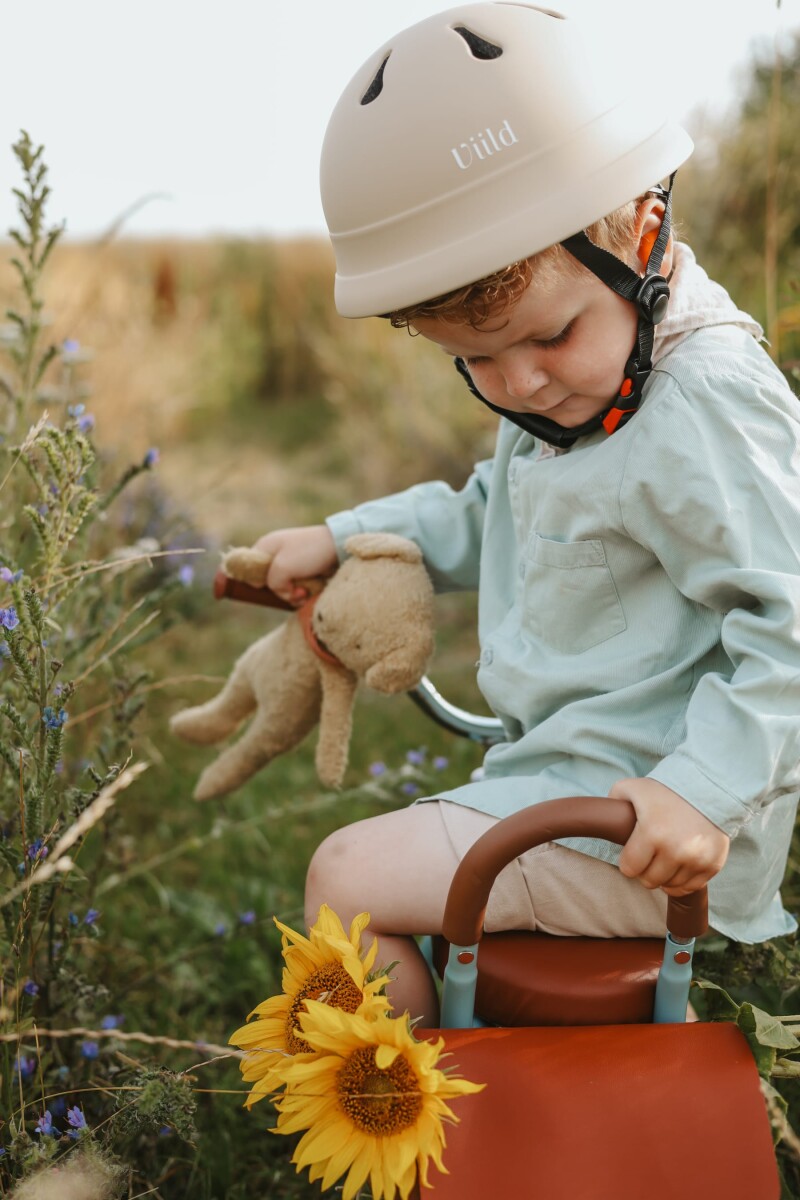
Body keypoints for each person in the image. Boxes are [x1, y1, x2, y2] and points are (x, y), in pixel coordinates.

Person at [254, 3, 800, 1025]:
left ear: (640, 228)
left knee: (346, 879)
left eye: (545, 334)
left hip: (651, 826)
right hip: (566, 785)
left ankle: (414, 1119)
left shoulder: (701, 403)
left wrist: (700, 793)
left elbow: (792, 622)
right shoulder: (577, 395)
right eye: (474, 359)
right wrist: (343, 536)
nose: (517, 385)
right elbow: (482, 507)